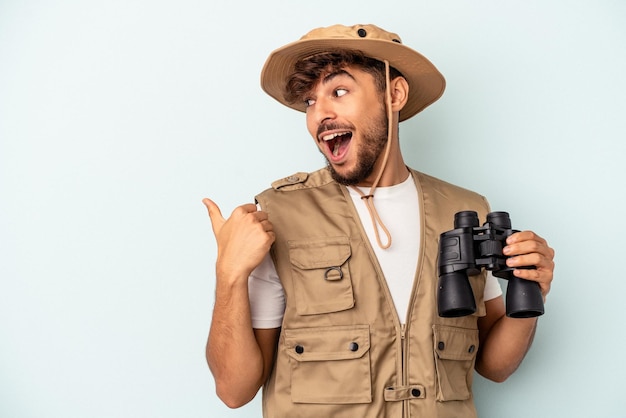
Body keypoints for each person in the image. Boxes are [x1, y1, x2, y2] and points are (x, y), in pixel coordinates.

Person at [202, 23, 555, 418]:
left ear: (395, 94)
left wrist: (534, 289)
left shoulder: (462, 210)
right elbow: (234, 390)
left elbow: (495, 366)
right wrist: (228, 275)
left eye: (338, 91)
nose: (320, 113)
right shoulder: (280, 215)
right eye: (309, 102)